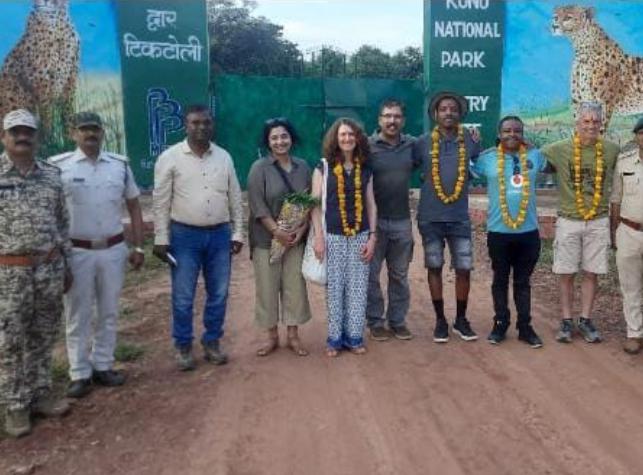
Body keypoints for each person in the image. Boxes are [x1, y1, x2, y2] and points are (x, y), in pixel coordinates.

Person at [48, 112, 145, 399]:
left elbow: (135, 207)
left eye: (95, 129)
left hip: (113, 250)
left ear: (103, 132)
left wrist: (138, 246)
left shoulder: (119, 166)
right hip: (77, 251)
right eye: (84, 129)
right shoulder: (58, 167)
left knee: (109, 310)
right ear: (73, 133)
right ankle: (79, 372)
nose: (90, 134)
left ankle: (103, 364)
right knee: (78, 314)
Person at [153, 104, 244, 370]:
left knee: (219, 293)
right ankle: (183, 346)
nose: (201, 127)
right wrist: (161, 237)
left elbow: (235, 196)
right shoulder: (170, 158)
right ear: (186, 125)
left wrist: (237, 231)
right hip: (184, 236)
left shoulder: (224, 157)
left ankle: (212, 341)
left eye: (206, 122)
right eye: (195, 123)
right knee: (183, 295)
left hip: (219, 235)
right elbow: (160, 202)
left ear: (211, 125)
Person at [0, 109, 72, 437]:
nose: (22, 136)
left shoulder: (52, 175)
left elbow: (62, 222)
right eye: (15, 131)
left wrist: (67, 264)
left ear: (37, 136)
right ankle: (15, 405)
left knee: (43, 335)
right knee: (10, 340)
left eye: (27, 131)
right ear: (4, 137)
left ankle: (41, 394)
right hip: (8, 274)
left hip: (48, 268)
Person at [542, 102, 620, 343]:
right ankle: (566, 321)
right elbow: (531, 155)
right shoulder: (558, 149)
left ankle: (585, 319)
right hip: (568, 220)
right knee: (566, 272)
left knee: (591, 272)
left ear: (601, 124)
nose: (591, 126)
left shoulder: (611, 150)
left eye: (595, 122)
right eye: (586, 121)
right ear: (577, 124)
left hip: (598, 220)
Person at [471, 116, 545, 348]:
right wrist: (474, 144)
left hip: (528, 232)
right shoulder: (486, 159)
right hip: (499, 232)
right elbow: (466, 163)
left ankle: (525, 327)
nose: (512, 134)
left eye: (517, 130)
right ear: (499, 134)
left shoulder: (536, 156)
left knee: (523, 281)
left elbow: (553, 164)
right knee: (500, 279)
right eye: (507, 130)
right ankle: (500, 323)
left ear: (523, 133)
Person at [414, 91, 481, 343]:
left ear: (460, 113)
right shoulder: (421, 143)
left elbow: (479, 164)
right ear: (435, 114)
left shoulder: (472, 141)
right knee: (434, 266)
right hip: (430, 218)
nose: (449, 113)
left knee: (464, 268)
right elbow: (407, 165)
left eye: (453, 108)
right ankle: (440, 320)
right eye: (443, 109)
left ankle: (461, 320)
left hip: (459, 218)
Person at [311, 117, 377, 356]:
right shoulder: (323, 167)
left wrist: (372, 236)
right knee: (335, 287)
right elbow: (315, 205)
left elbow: (370, 204)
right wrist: (319, 237)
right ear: (335, 139)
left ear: (357, 138)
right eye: (342, 135)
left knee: (358, 287)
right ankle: (335, 338)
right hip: (333, 235)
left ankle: (354, 337)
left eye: (351, 134)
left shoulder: (365, 167)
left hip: (360, 235)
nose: (347, 138)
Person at [246, 118, 312, 357]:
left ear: (291, 138)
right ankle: (271, 336)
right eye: (274, 138)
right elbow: (257, 204)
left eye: (284, 136)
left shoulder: (303, 167)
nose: (280, 141)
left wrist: (300, 231)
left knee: (295, 286)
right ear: (268, 142)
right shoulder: (259, 168)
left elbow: (308, 202)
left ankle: (293, 336)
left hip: (295, 239)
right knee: (267, 286)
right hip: (266, 240)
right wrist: (277, 232)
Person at [366, 99, 419, 342]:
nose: (392, 121)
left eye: (397, 116)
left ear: (403, 121)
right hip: (372, 224)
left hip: (402, 222)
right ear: (379, 120)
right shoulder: (366, 147)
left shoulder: (412, 145)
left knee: (399, 274)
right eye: (387, 116)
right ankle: (376, 321)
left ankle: (397, 321)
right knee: (371, 275)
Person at [610, 117, 643, 354]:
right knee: (630, 285)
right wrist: (614, 233)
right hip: (629, 230)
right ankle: (635, 333)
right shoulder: (624, 162)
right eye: (642, 133)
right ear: (636, 136)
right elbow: (615, 199)